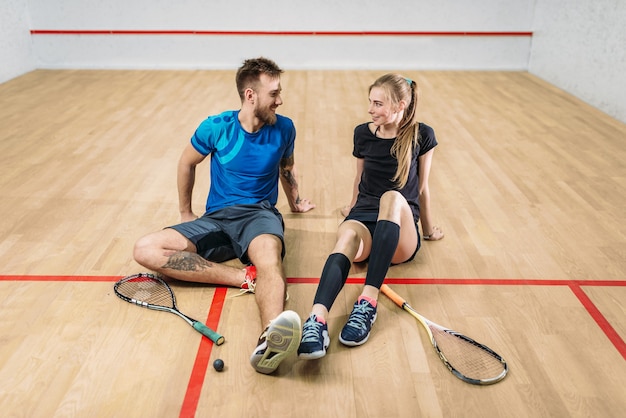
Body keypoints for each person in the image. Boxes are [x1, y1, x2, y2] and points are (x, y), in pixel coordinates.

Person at [133, 57, 315, 374]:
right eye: (273, 93)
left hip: (259, 216)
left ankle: (270, 339)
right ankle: (241, 277)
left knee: (270, 260)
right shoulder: (217, 127)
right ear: (250, 95)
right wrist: (186, 212)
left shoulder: (284, 128)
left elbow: (286, 167)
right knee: (145, 248)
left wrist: (295, 201)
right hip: (216, 220)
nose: (280, 100)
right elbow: (186, 162)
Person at [298, 73, 442, 359]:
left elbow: (423, 189)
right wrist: (351, 208)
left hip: (400, 230)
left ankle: (367, 302)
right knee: (347, 235)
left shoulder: (422, 134)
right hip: (365, 215)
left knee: (391, 197)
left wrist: (427, 230)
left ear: (401, 104)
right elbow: (359, 177)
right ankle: (317, 319)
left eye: (378, 104)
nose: (370, 109)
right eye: (370, 102)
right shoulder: (362, 133)